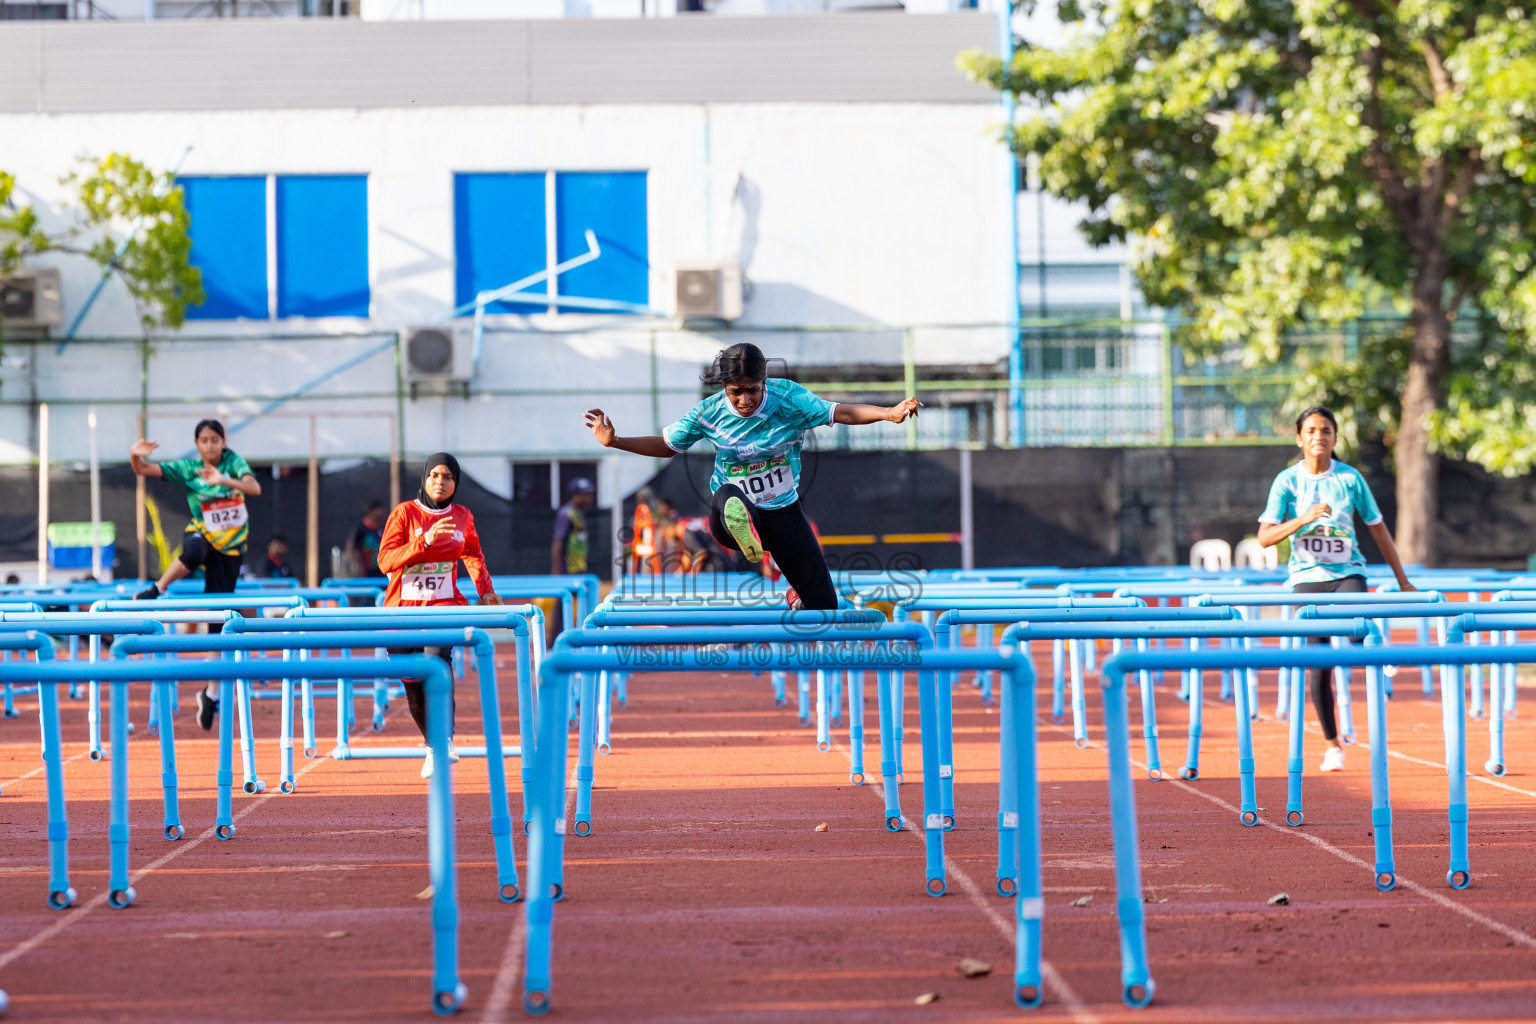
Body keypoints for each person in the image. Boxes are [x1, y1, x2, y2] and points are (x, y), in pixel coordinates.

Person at [585, 342, 918, 610]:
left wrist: (888, 413)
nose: (745, 400)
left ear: (764, 383)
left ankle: (794, 594)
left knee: (824, 604)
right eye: (736, 392)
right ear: (724, 388)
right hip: (728, 516)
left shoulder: (789, 399)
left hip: (783, 512)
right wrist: (616, 441)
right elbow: (667, 445)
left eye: (752, 390)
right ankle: (746, 528)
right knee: (730, 497)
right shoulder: (709, 412)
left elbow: (841, 412)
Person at [1257, 405, 1415, 773]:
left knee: (1358, 622)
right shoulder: (1287, 481)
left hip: (1347, 571)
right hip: (1306, 577)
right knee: (1319, 667)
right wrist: (1304, 518)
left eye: (1326, 430)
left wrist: (1403, 580)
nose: (1319, 436)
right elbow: (1265, 537)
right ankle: (1333, 746)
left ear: (1335, 438)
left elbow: (1378, 529)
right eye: (1311, 431)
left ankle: (1376, 650)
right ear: (1299, 439)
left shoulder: (1349, 479)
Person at [130, 418, 262, 730]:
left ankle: (210, 694)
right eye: (204, 440)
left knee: (219, 620)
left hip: (231, 546)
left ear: (223, 442)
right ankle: (158, 588)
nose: (210, 445)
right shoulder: (189, 468)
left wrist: (224, 480)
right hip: (201, 533)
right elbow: (143, 470)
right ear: (197, 444)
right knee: (192, 552)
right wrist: (135, 455)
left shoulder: (233, 462)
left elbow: (254, 488)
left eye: (215, 440)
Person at [376, 453, 501, 778]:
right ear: (425, 478)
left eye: (448, 477)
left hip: (443, 606)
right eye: (434, 475)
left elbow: (472, 553)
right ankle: (433, 745)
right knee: (413, 687)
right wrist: (423, 541)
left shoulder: (462, 516)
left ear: (456, 483)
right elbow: (385, 561)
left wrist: (485, 589)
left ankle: (444, 740)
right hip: (402, 611)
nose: (440, 482)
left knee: (437, 664)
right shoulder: (404, 513)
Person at [551, 478, 594, 576]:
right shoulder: (567, 514)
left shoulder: (578, 513)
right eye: (585, 495)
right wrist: (556, 571)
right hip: (567, 570)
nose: (589, 499)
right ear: (575, 495)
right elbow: (558, 541)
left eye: (590, 495)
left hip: (578, 567)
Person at [346, 499, 386, 577]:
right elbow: (350, 547)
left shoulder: (382, 529)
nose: (381, 513)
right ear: (371, 511)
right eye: (378, 510)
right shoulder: (361, 529)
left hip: (382, 571)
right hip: (367, 572)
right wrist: (358, 565)